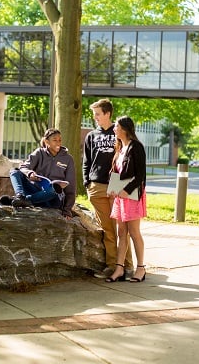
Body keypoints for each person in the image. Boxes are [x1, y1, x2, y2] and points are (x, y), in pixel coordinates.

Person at [83, 99, 134, 279]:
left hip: (115, 183)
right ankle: (111, 266)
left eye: (98, 114)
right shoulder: (91, 135)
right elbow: (87, 161)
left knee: (120, 228)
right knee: (107, 230)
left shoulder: (119, 133)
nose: (95, 117)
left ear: (107, 113)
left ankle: (127, 266)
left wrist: (125, 184)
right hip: (96, 186)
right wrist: (87, 182)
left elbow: (129, 158)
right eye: (94, 114)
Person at [105, 115, 147, 283]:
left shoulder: (136, 147)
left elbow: (140, 175)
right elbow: (117, 172)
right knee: (121, 232)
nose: (114, 129)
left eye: (116, 126)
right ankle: (119, 268)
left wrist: (126, 190)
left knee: (134, 232)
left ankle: (141, 268)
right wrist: (112, 188)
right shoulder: (120, 148)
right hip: (120, 196)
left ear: (124, 129)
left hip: (132, 195)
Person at [5, 128, 76, 220]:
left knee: (55, 188)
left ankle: (23, 200)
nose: (58, 143)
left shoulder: (68, 159)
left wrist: (67, 210)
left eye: (60, 140)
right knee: (14, 171)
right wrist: (30, 173)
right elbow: (23, 167)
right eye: (55, 140)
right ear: (47, 141)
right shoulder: (39, 153)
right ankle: (20, 196)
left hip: (53, 198)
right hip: (36, 191)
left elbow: (71, 187)